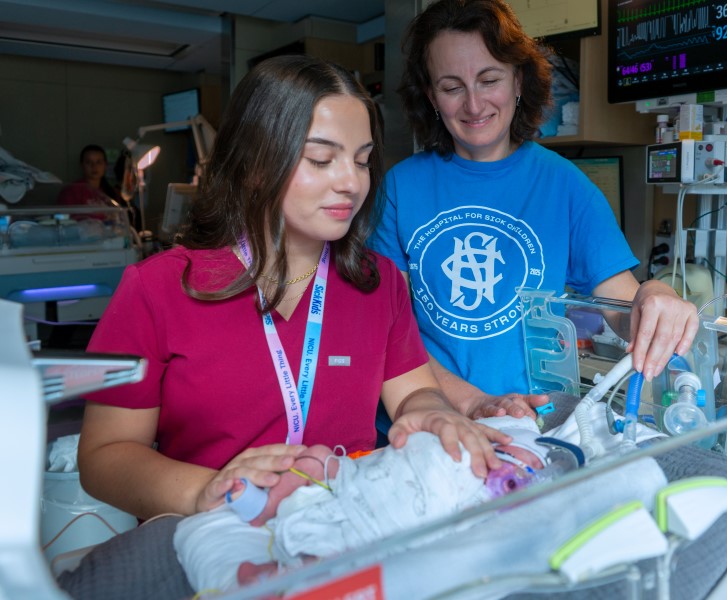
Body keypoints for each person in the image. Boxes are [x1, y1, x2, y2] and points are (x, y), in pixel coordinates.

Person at [60, 55, 509, 599]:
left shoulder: (378, 283)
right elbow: (104, 457)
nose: (351, 182)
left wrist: (436, 417)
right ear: (254, 163)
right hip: (211, 539)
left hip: (349, 534)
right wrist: (208, 490)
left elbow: (414, 396)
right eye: (322, 159)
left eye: (363, 161)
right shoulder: (157, 291)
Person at [368, 0, 699, 420]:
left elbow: (623, 308)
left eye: (489, 80)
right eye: (452, 87)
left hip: (529, 422)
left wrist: (657, 296)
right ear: (431, 95)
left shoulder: (566, 187)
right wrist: (471, 402)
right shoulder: (400, 187)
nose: (473, 105)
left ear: (518, 80)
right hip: (429, 421)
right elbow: (387, 329)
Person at [173, 411, 600, 593]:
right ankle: (266, 527)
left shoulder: (516, 478)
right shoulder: (504, 437)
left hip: (395, 516)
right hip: (369, 479)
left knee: (346, 553)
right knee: (312, 460)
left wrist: (436, 411)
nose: (524, 458)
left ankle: (286, 575)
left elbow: (418, 396)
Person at [57, 144, 124, 216]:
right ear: (82, 165)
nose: (94, 166)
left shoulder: (110, 192)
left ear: (105, 165)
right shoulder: (71, 192)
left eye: (98, 162)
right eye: (89, 162)